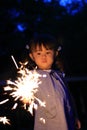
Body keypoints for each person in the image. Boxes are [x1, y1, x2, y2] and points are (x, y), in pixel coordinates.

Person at [23, 33, 81, 130]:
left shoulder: (59, 75)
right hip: (47, 125)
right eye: (39, 53)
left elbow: (69, 98)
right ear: (32, 56)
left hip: (66, 122)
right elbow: (26, 99)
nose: (43, 56)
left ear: (55, 53)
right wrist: (25, 98)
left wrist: (75, 116)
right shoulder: (32, 76)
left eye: (48, 52)